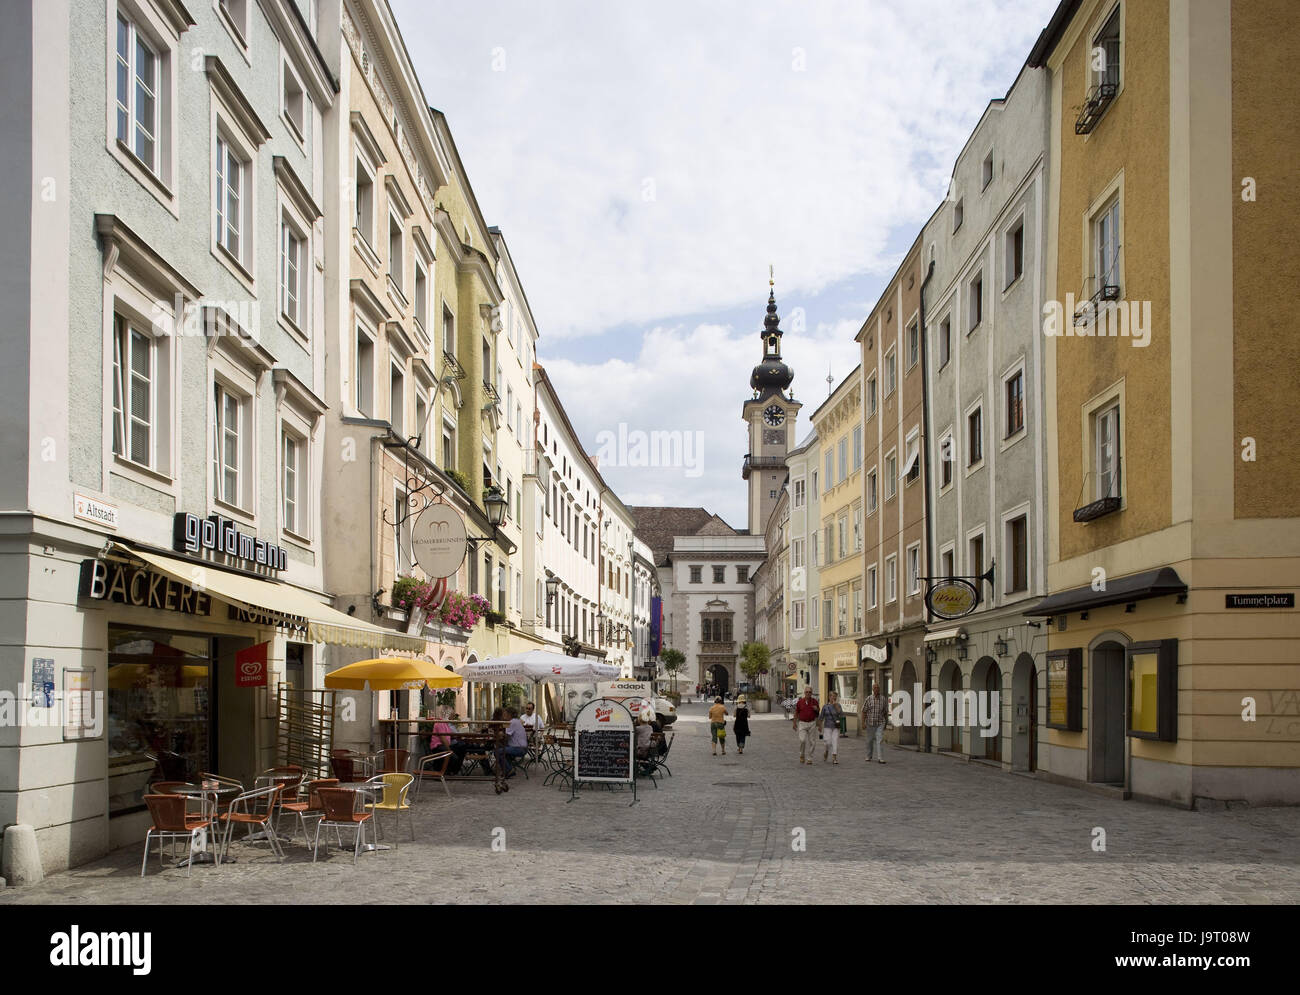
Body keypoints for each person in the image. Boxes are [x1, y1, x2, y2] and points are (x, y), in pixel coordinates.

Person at [793, 686, 820, 765]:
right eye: (807, 692)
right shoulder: (800, 702)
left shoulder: (814, 701)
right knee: (802, 740)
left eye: (810, 692)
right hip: (802, 723)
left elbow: (818, 712)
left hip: (812, 723)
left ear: (811, 693)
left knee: (812, 742)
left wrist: (816, 709)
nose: (808, 693)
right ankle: (802, 755)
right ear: (804, 693)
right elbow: (796, 713)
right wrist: (794, 723)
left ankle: (810, 758)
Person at [863, 682, 889, 764]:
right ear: (872, 689)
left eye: (877, 688)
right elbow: (864, 711)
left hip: (880, 722)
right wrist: (863, 723)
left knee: (879, 740)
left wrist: (886, 722)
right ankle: (868, 756)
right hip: (870, 723)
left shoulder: (883, 699)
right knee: (870, 740)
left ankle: (880, 758)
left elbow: (885, 712)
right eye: (875, 688)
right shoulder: (869, 699)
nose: (876, 689)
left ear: (879, 689)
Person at [499, 707, 529, 776]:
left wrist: (498, 734)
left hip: (519, 748)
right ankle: (507, 769)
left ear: (509, 714)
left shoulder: (512, 722)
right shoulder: (517, 721)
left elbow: (506, 736)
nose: (503, 715)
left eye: (505, 714)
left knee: (498, 751)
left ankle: (509, 770)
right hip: (521, 747)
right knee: (501, 750)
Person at [819, 691, 844, 764]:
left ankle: (834, 758)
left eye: (835, 696)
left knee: (835, 741)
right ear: (829, 697)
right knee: (828, 742)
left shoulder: (838, 705)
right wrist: (820, 726)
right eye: (832, 696)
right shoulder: (825, 706)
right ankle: (826, 751)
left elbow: (842, 715)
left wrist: (836, 707)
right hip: (827, 727)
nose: (834, 698)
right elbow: (821, 717)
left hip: (836, 727)